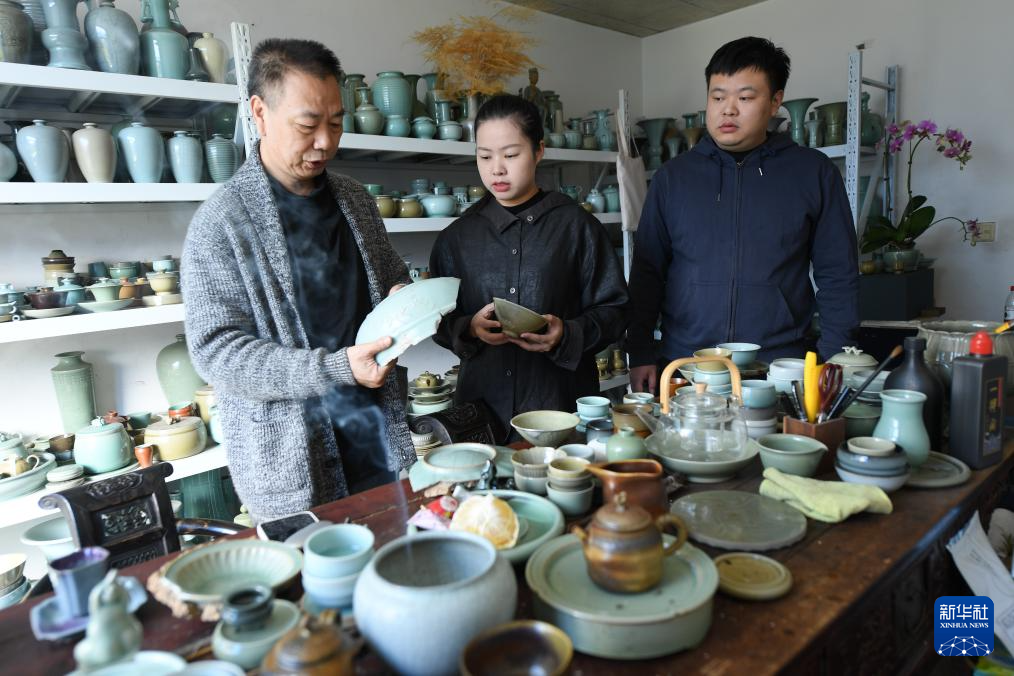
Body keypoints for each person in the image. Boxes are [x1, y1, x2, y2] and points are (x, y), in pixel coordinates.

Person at [181, 39, 414, 522]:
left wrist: (401, 299)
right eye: (308, 125)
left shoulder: (355, 201)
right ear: (260, 113)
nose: (325, 142)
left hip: (378, 441)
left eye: (336, 123)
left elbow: (391, 276)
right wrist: (336, 368)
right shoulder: (222, 222)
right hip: (290, 469)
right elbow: (217, 353)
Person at [627, 36, 859, 394]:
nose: (728, 110)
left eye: (745, 98)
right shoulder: (673, 178)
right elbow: (647, 272)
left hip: (779, 368)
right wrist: (640, 350)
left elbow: (839, 274)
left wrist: (834, 358)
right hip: (687, 366)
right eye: (718, 97)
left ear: (776, 101)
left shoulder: (813, 173)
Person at [429, 94, 628, 439]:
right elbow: (437, 320)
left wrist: (566, 333)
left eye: (510, 155)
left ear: (538, 151)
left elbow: (616, 310)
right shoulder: (456, 237)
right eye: (485, 156)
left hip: (559, 406)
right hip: (482, 415)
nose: (497, 169)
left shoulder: (576, 227)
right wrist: (469, 328)